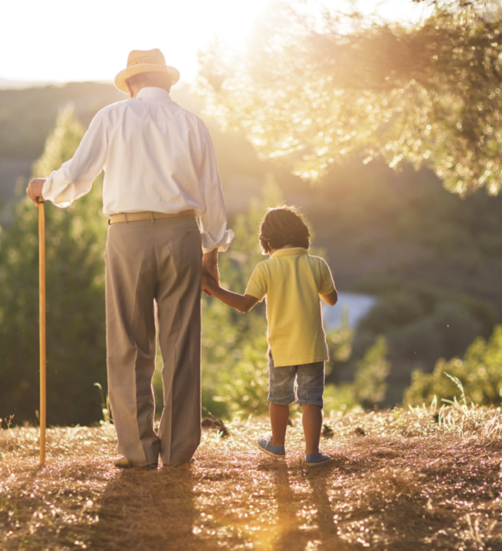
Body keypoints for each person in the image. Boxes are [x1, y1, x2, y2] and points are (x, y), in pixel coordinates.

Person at [26, 49, 233, 469]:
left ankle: (139, 451)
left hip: (127, 234)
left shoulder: (113, 116)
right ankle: (177, 452)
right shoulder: (193, 124)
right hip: (183, 236)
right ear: (167, 82)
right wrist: (211, 252)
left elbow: (79, 175)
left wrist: (44, 186)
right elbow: (212, 193)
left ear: (132, 83)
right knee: (181, 345)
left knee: (128, 343)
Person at [201, 206, 337, 466]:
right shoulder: (318, 264)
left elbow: (243, 305)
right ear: (302, 236)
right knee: (311, 400)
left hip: (282, 348)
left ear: (267, 241)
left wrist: (212, 288)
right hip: (312, 347)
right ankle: (312, 453)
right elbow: (331, 299)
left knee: (279, 397)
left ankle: (277, 444)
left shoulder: (265, 269)